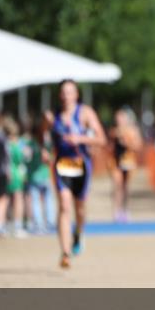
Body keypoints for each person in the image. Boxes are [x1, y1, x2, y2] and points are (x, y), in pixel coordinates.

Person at [46, 79, 108, 268]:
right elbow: (45, 138)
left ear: (76, 95)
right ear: (60, 95)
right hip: (62, 164)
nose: (66, 96)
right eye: (63, 92)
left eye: (70, 92)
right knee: (64, 206)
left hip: (81, 165)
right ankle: (65, 253)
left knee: (79, 208)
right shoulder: (51, 116)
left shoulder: (85, 113)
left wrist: (80, 138)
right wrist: (44, 150)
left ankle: (79, 233)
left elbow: (101, 139)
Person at [23, 118, 56, 234]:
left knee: (36, 201)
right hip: (44, 176)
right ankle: (49, 222)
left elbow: (25, 160)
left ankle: (39, 224)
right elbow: (50, 160)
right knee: (47, 199)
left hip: (34, 177)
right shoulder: (44, 145)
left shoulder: (29, 145)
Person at [110, 107, 143, 222]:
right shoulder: (114, 131)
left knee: (126, 187)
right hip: (115, 161)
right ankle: (116, 210)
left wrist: (127, 142)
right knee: (117, 185)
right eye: (117, 117)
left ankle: (126, 210)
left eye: (121, 117)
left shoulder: (133, 130)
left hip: (129, 161)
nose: (119, 120)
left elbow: (138, 146)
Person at [4, 118, 28, 238]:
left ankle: (8, 224)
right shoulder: (18, 144)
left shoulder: (4, 143)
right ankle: (17, 225)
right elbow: (23, 158)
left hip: (6, 173)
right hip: (16, 173)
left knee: (8, 200)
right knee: (18, 199)